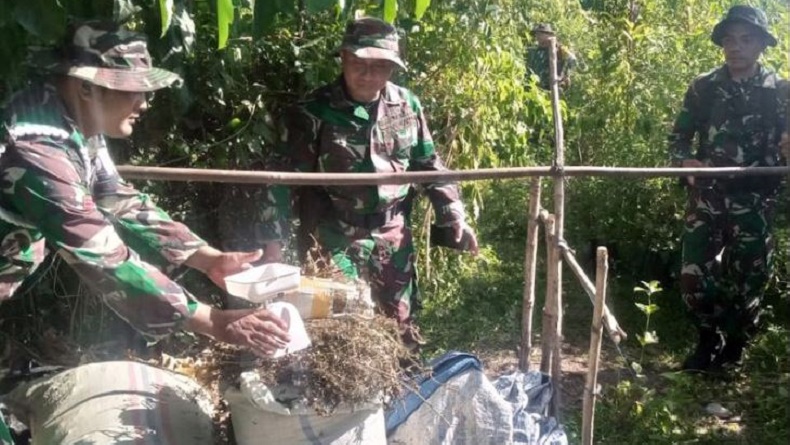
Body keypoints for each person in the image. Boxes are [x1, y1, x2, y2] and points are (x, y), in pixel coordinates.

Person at [0, 22, 291, 360]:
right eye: (131, 89)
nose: (145, 102)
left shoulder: (70, 122)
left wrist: (208, 259)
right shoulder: (38, 149)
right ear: (85, 87)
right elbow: (101, 256)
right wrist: (212, 320)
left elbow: (118, 198)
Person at [259, 17, 479, 346]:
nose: (368, 75)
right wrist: (272, 242)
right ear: (344, 60)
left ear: (392, 69)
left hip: (393, 236)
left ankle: (400, 392)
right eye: (359, 64)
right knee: (338, 327)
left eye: (380, 66)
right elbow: (282, 179)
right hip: (334, 235)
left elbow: (428, 163)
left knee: (400, 327)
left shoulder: (406, 105)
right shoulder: (314, 111)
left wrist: (453, 212)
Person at [668, 5, 789, 372]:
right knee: (693, 274)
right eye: (730, 39)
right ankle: (707, 341)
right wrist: (684, 162)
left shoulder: (781, 91)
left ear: (761, 45)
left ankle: (735, 347)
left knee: (750, 276)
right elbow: (678, 138)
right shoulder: (704, 87)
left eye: (746, 39)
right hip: (709, 193)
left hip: (756, 196)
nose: (735, 47)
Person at [525, 23, 577, 91]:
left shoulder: (559, 49)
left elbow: (572, 59)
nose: (538, 37)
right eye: (536, 34)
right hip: (538, 87)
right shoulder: (536, 50)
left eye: (540, 34)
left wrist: (562, 76)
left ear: (549, 35)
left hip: (553, 87)